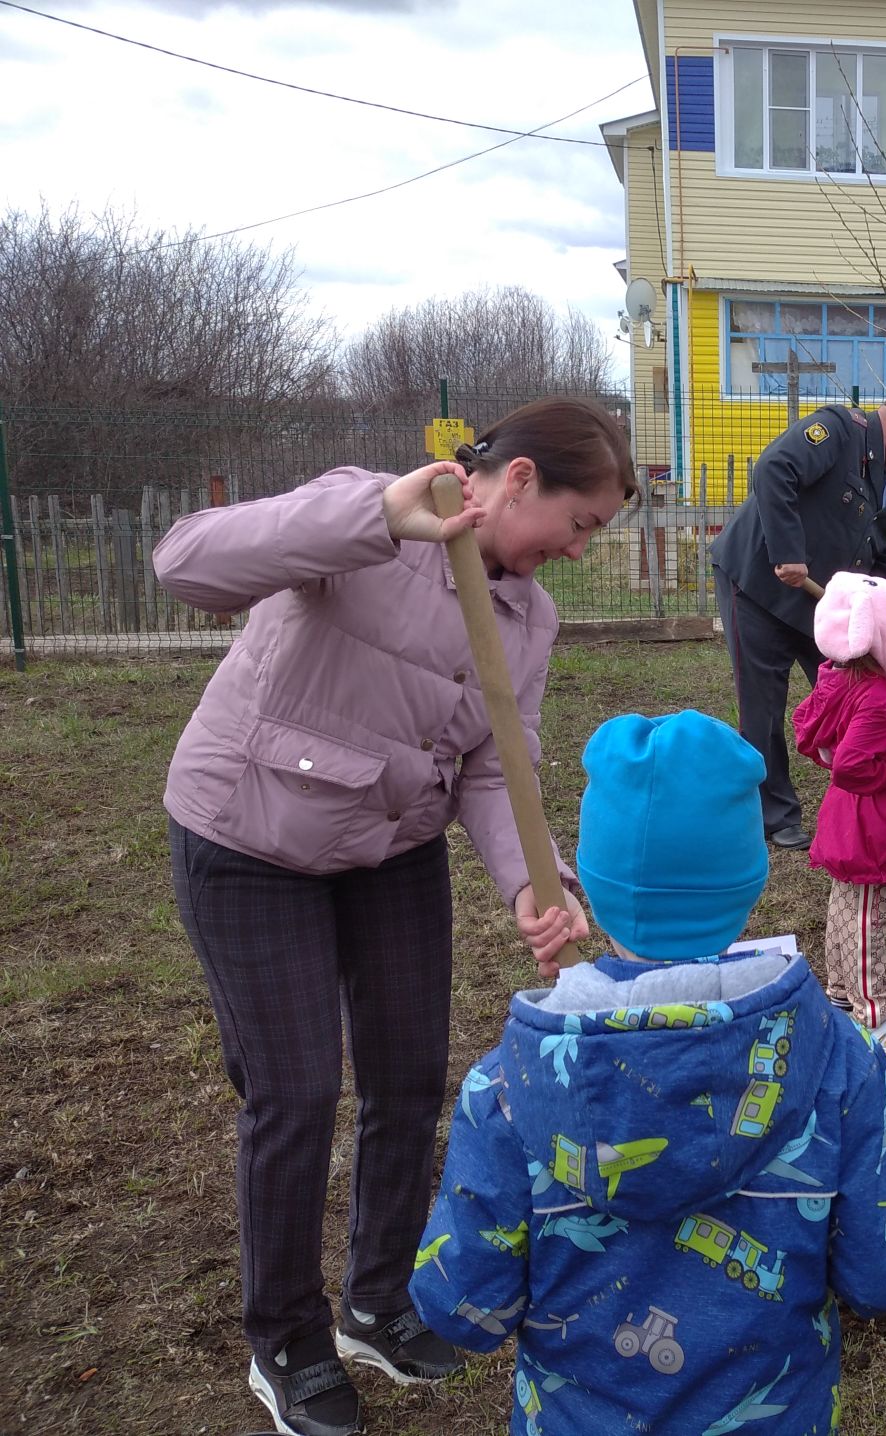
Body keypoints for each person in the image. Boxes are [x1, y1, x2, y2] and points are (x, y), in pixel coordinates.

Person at [152, 398, 633, 1436]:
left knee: (411, 1077)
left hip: (388, 843)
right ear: (517, 482)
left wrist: (530, 883)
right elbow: (185, 564)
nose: (580, 547)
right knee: (294, 1091)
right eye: (581, 520)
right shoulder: (361, 513)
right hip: (249, 835)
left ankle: (378, 1299)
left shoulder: (529, 616)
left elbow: (498, 766)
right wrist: (377, 513)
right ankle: (284, 1338)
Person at [409, 710, 886, 1434]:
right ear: (750, 881)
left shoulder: (506, 1088)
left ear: (588, 886)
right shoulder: (841, 1059)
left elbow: (463, 1306)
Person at [710, 385, 886, 850]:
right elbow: (774, 469)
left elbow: (883, 554)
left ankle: (863, 790)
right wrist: (788, 552)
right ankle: (773, 815)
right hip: (757, 583)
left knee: (846, 693)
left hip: (819, 604)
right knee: (763, 703)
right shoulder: (837, 431)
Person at [792, 571, 886, 1060]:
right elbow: (853, 765)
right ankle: (875, 1016)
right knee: (867, 919)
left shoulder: (837, 677)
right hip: (868, 824)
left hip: (849, 821)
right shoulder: (879, 696)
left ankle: (840, 995)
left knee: (847, 906)